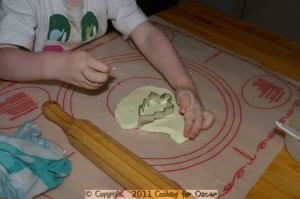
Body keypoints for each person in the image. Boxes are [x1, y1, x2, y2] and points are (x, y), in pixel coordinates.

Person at [0, 0, 214, 139]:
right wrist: (55, 65)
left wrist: (184, 84)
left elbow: (147, 35)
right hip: (37, 97)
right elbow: (4, 60)